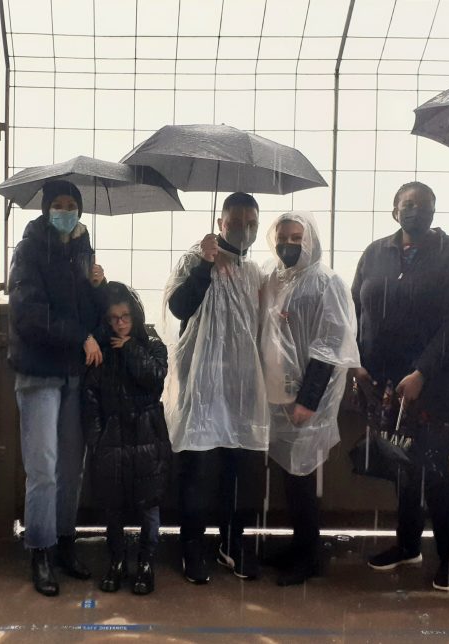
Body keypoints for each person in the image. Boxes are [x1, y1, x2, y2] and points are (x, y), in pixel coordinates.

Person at [351, 181, 449, 591]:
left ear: (434, 212)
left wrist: (422, 372)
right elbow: (354, 310)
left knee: (435, 469)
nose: (415, 211)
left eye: (423, 205)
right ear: (394, 210)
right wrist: (356, 364)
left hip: (433, 384)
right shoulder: (374, 253)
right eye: (407, 204)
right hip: (383, 384)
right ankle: (407, 545)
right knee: (401, 466)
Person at [8, 180, 107, 596]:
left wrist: (98, 288)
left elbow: (89, 316)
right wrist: (78, 336)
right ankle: (41, 549)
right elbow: (29, 313)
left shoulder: (82, 250)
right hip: (38, 371)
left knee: (71, 464)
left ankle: (65, 540)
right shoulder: (29, 248)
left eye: (72, 205)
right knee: (43, 466)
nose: (65, 211)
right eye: (58, 205)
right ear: (47, 209)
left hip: (73, 373)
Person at [163, 191, 269, 584]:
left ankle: (231, 542)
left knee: (237, 470)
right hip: (202, 381)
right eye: (237, 222)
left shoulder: (254, 272)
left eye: (252, 223)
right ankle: (192, 546)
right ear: (222, 223)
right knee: (197, 468)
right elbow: (178, 308)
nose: (244, 229)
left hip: (241, 385)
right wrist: (205, 266)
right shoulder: (196, 258)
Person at [258, 212, 360, 586]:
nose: (289, 244)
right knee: (288, 476)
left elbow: (330, 347)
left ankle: (309, 556)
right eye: (282, 237)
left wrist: (308, 400)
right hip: (276, 395)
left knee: (304, 479)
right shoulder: (275, 277)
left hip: (305, 400)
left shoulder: (325, 281)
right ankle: (297, 546)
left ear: (311, 240)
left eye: (297, 237)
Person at [82, 282, 170, 596]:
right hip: (113, 439)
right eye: (113, 318)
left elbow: (154, 379)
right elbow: (90, 398)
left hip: (148, 437)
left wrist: (131, 347)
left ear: (134, 314)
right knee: (112, 505)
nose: (120, 323)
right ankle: (117, 560)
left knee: (150, 505)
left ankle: (147, 563)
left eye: (125, 316)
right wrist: (97, 439)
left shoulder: (152, 342)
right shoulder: (101, 353)